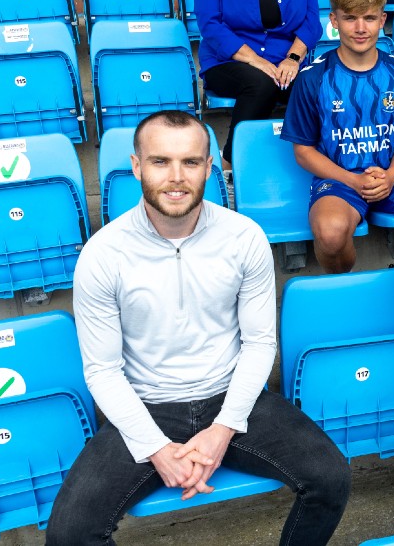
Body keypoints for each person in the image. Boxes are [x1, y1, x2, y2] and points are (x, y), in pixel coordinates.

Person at [46, 110, 350, 545]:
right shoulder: (102, 255)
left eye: (190, 162)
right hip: (148, 404)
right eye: (160, 161)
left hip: (231, 396)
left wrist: (223, 429)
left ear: (210, 167)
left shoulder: (244, 237)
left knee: (331, 477)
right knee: (70, 535)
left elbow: (261, 343)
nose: (176, 177)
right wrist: (157, 450)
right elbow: (102, 371)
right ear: (136, 166)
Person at [281, 0, 394, 276]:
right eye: (350, 18)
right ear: (334, 20)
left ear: (383, 20)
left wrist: (392, 176)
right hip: (340, 179)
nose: (360, 28)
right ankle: (347, 286)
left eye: (369, 18)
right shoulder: (312, 79)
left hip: (389, 175)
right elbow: (303, 152)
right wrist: (353, 181)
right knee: (330, 234)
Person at [196, 0, 321, 167]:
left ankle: (311, 164)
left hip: (286, 59)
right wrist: (257, 61)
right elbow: (210, 24)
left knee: (315, 86)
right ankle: (231, 164)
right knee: (261, 83)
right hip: (229, 60)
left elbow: (312, 18)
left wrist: (292, 58)